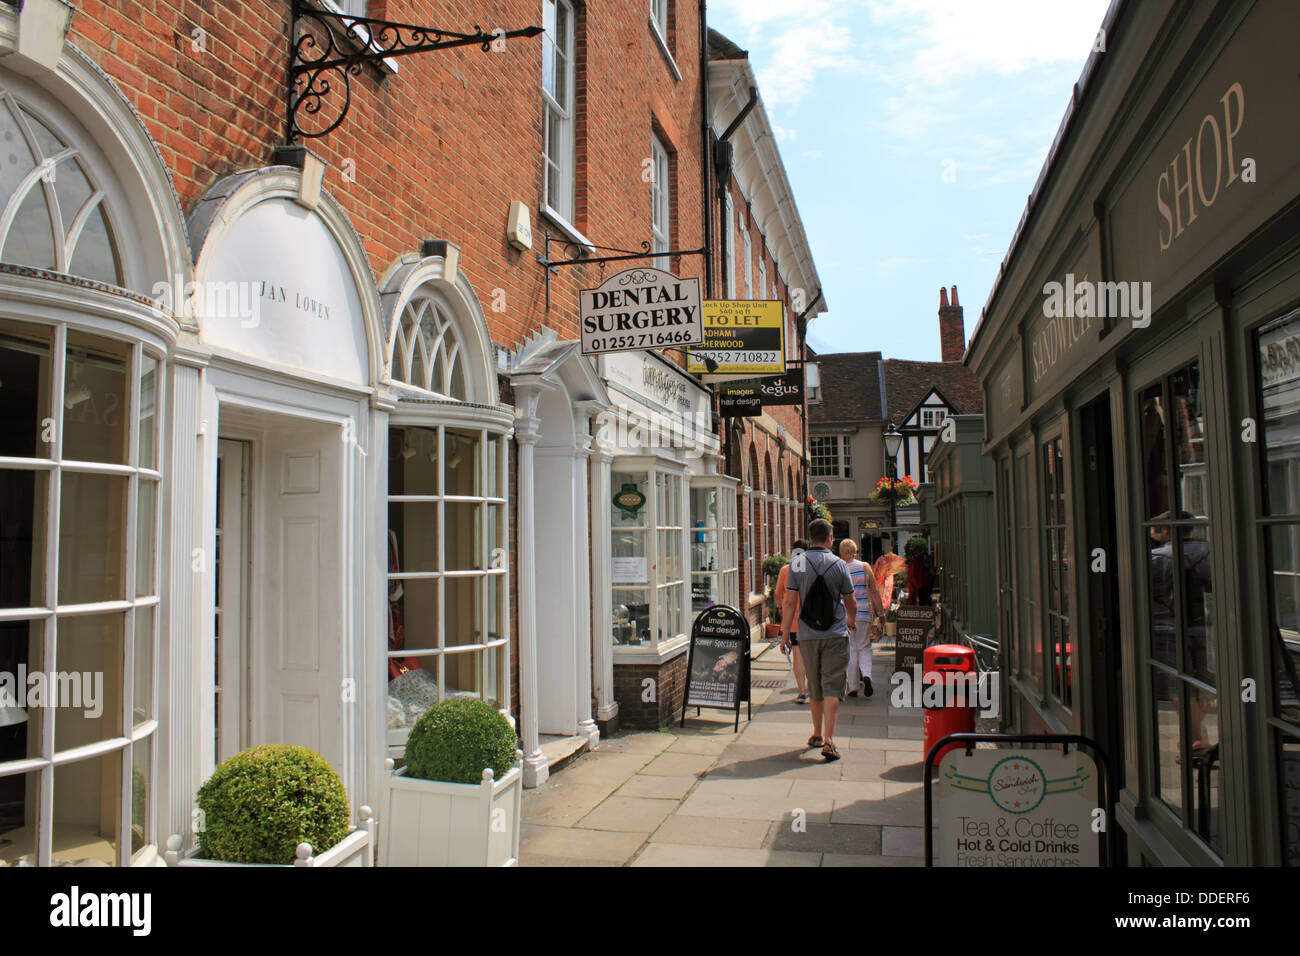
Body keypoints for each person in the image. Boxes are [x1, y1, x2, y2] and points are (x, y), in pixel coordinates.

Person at [780, 519, 856, 761]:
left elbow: (790, 602)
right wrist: (851, 620)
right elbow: (850, 600)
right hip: (835, 633)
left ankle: (816, 734)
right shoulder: (839, 563)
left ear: (810, 537)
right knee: (833, 684)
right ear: (830, 538)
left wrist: (785, 635)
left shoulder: (798, 563)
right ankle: (830, 738)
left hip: (807, 634)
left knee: (814, 685)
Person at [840, 538, 885, 698]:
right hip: (864, 613)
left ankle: (852, 687)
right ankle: (866, 674)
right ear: (855, 550)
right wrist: (881, 613)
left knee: (851, 649)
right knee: (864, 646)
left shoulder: (840, 568)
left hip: (846, 614)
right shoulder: (865, 567)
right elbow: (874, 591)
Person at [774, 540, 809, 703]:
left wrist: (782, 608)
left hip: (794, 621)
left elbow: (779, 595)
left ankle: (802, 692)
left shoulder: (786, 570)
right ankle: (815, 690)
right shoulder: (814, 569)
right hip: (814, 621)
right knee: (814, 655)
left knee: (798, 656)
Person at [907, 539, 934, 606]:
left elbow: (913, 574)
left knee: (923, 602)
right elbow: (930, 570)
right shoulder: (924, 557)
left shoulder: (915, 560)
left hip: (921, 584)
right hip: (925, 583)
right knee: (926, 600)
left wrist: (915, 584)